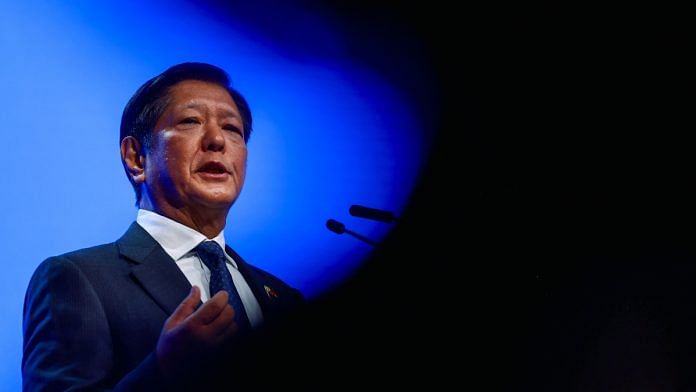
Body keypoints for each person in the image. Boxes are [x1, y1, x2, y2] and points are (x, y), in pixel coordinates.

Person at [21, 62, 305, 391]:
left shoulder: (284, 299)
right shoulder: (76, 278)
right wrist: (163, 371)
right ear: (136, 158)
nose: (217, 140)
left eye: (232, 129)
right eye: (190, 121)